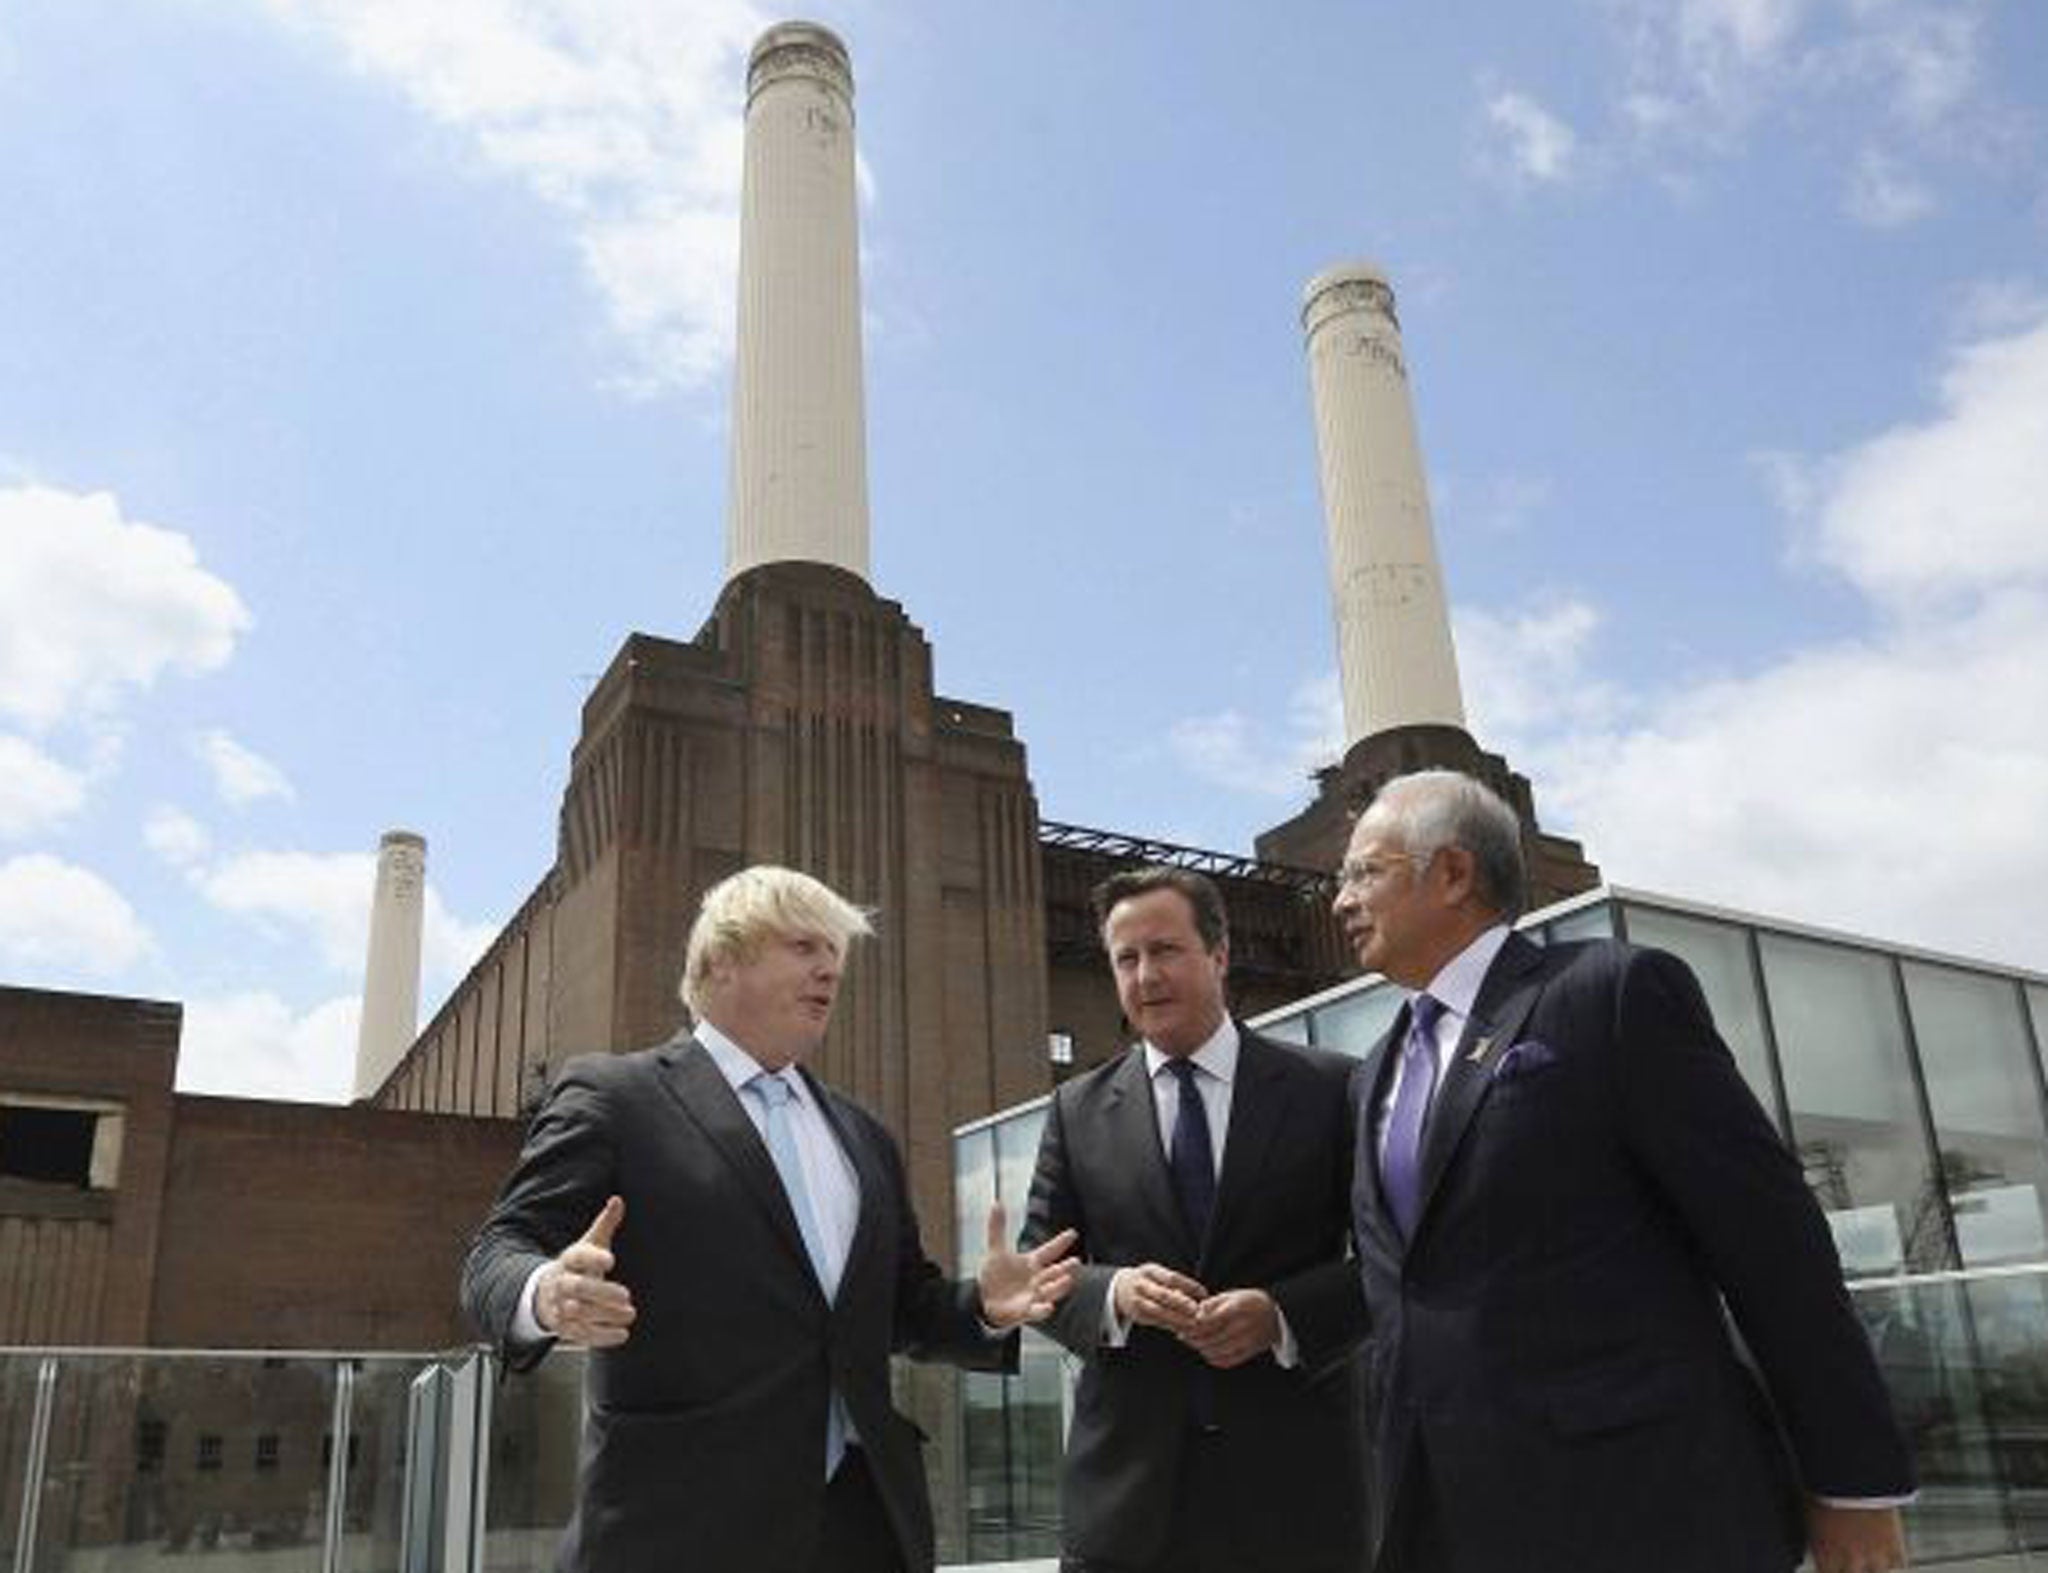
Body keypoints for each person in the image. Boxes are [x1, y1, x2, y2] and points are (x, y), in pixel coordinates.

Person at [1337, 769, 1914, 1573]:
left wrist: (1854, 1484)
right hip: (1440, 1519)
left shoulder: (1608, 995)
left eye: (1364, 871)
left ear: (1454, 872)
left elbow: (1774, 1247)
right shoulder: (1373, 1076)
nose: (1341, 900)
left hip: (1635, 1510)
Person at [461, 865, 1078, 1573]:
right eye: (804, 946)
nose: (829, 969)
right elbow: (496, 1252)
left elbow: (901, 1308)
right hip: (678, 1528)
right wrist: (544, 1291)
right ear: (720, 959)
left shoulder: (863, 1133)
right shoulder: (614, 1096)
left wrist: (986, 1307)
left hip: (864, 1525)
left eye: (836, 956)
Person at [1019, 866, 1370, 1573]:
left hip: (1299, 1499)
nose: (1146, 975)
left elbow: (1391, 1261)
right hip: (1128, 1509)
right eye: (1126, 958)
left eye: (1165, 949)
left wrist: (1282, 1316)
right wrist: (1113, 1293)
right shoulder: (1076, 1109)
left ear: (1219, 953)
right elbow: (1040, 1271)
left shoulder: (1331, 1087)